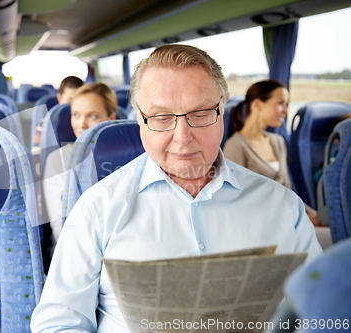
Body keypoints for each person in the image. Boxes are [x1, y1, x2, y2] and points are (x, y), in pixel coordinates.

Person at [31, 44, 322, 332]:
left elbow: (320, 313)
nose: (182, 138)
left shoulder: (282, 206)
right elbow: (58, 324)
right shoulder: (97, 208)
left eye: (200, 114)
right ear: (139, 118)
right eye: (161, 118)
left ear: (222, 109)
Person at [223, 80, 319, 225]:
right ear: (257, 105)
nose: (286, 111)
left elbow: (288, 193)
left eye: (286, 105)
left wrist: (315, 216)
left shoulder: (278, 142)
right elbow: (238, 202)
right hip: (265, 225)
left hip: (292, 219)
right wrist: (301, 219)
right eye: (280, 103)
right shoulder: (235, 146)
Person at [42, 82, 117, 246]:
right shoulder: (57, 160)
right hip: (74, 248)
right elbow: (61, 228)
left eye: (92, 116)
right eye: (76, 115)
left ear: (111, 117)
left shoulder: (129, 155)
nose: (81, 124)